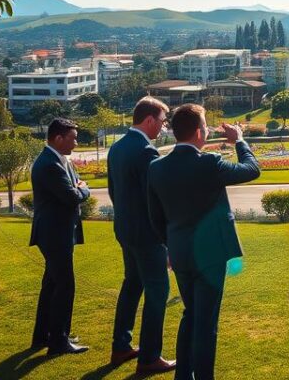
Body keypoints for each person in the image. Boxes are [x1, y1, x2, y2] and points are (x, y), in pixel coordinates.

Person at [146, 105, 261, 380]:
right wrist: (241, 141)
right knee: (206, 323)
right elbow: (252, 169)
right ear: (199, 132)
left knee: (191, 314)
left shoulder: (157, 167)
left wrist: (169, 247)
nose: (207, 130)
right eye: (206, 125)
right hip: (210, 255)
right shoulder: (208, 163)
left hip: (180, 252)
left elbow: (155, 217)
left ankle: (183, 375)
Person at [107, 96, 175, 373]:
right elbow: (156, 200)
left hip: (125, 229)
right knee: (158, 292)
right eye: (162, 121)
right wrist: (168, 240)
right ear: (149, 120)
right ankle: (149, 358)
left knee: (132, 286)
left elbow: (114, 192)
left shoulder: (117, 148)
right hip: (148, 235)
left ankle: (121, 345)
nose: (163, 127)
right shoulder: (146, 152)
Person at [29, 117, 91, 356]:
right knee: (65, 286)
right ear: (58, 138)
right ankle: (58, 341)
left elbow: (74, 187)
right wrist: (82, 189)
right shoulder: (49, 164)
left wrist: (78, 187)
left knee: (52, 284)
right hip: (54, 234)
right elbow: (72, 195)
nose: (76, 143)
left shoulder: (61, 161)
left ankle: (43, 335)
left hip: (59, 232)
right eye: (73, 138)